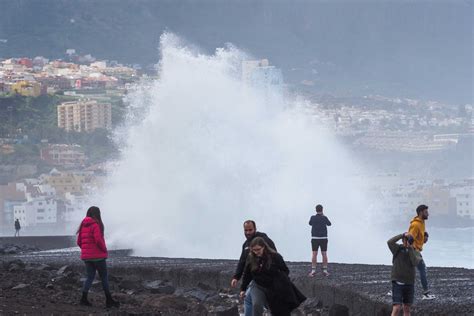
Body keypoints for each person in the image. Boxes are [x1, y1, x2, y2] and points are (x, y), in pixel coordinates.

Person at [240, 237, 306, 316]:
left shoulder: (275, 256)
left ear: (263, 247)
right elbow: (247, 274)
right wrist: (243, 289)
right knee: (256, 304)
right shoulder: (251, 258)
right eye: (254, 250)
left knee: (278, 308)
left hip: (272, 286)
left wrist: (279, 281)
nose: (256, 252)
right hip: (257, 285)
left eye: (258, 249)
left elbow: (285, 270)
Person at [76, 206, 119, 308]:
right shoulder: (95, 225)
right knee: (104, 277)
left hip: (86, 258)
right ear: (97, 214)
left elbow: (79, 242)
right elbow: (98, 240)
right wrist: (104, 249)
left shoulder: (83, 225)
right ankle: (109, 300)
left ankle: (83, 299)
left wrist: (86, 250)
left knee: (90, 277)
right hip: (98, 257)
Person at [230, 220, 276, 316]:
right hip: (254, 279)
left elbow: (275, 257)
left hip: (267, 279)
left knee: (267, 304)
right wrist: (236, 277)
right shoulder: (246, 245)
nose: (248, 233)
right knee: (248, 300)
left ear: (255, 229)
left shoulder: (264, 240)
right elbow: (243, 262)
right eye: (246, 230)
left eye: (250, 230)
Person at [387, 233, 421, 316]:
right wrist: (401, 235)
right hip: (397, 282)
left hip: (409, 284)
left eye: (409, 240)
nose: (407, 241)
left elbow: (415, 262)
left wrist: (410, 248)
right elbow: (389, 242)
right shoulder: (397, 249)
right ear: (402, 240)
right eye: (405, 239)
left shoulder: (416, 252)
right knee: (397, 307)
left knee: (407, 308)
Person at [408, 204, 435, 300]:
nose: (428, 214)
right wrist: (413, 252)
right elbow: (410, 238)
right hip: (413, 251)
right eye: (426, 212)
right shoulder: (415, 224)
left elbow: (421, 233)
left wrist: (425, 236)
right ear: (421, 213)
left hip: (415, 251)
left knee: (407, 272)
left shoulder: (422, 222)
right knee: (422, 269)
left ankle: (394, 290)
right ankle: (426, 293)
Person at [308, 204, 331, 277]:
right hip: (323, 238)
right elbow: (329, 224)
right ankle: (324, 270)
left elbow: (310, 223)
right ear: (322, 210)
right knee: (324, 254)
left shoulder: (313, 217)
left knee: (314, 254)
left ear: (316, 210)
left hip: (315, 238)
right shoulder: (324, 218)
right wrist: (323, 215)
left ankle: (313, 270)